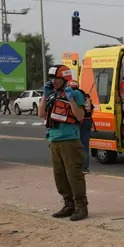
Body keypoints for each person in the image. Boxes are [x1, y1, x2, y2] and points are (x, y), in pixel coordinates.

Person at [38, 64, 88, 221]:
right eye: (52, 78)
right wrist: (45, 96)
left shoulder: (76, 94)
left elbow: (79, 116)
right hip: (54, 140)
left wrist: (70, 98)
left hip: (70, 141)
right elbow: (41, 114)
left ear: (65, 78)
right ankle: (68, 204)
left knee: (74, 175)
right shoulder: (51, 94)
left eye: (57, 79)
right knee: (59, 176)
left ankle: (81, 206)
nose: (54, 81)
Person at [68, 80, 94, 173]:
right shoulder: (86, 96)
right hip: (88, 121)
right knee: (85, 145)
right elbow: (92, 108)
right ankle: (85, 167)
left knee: (76, 144)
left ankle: (78, 166)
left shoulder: (74, 95)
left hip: (81, 122)